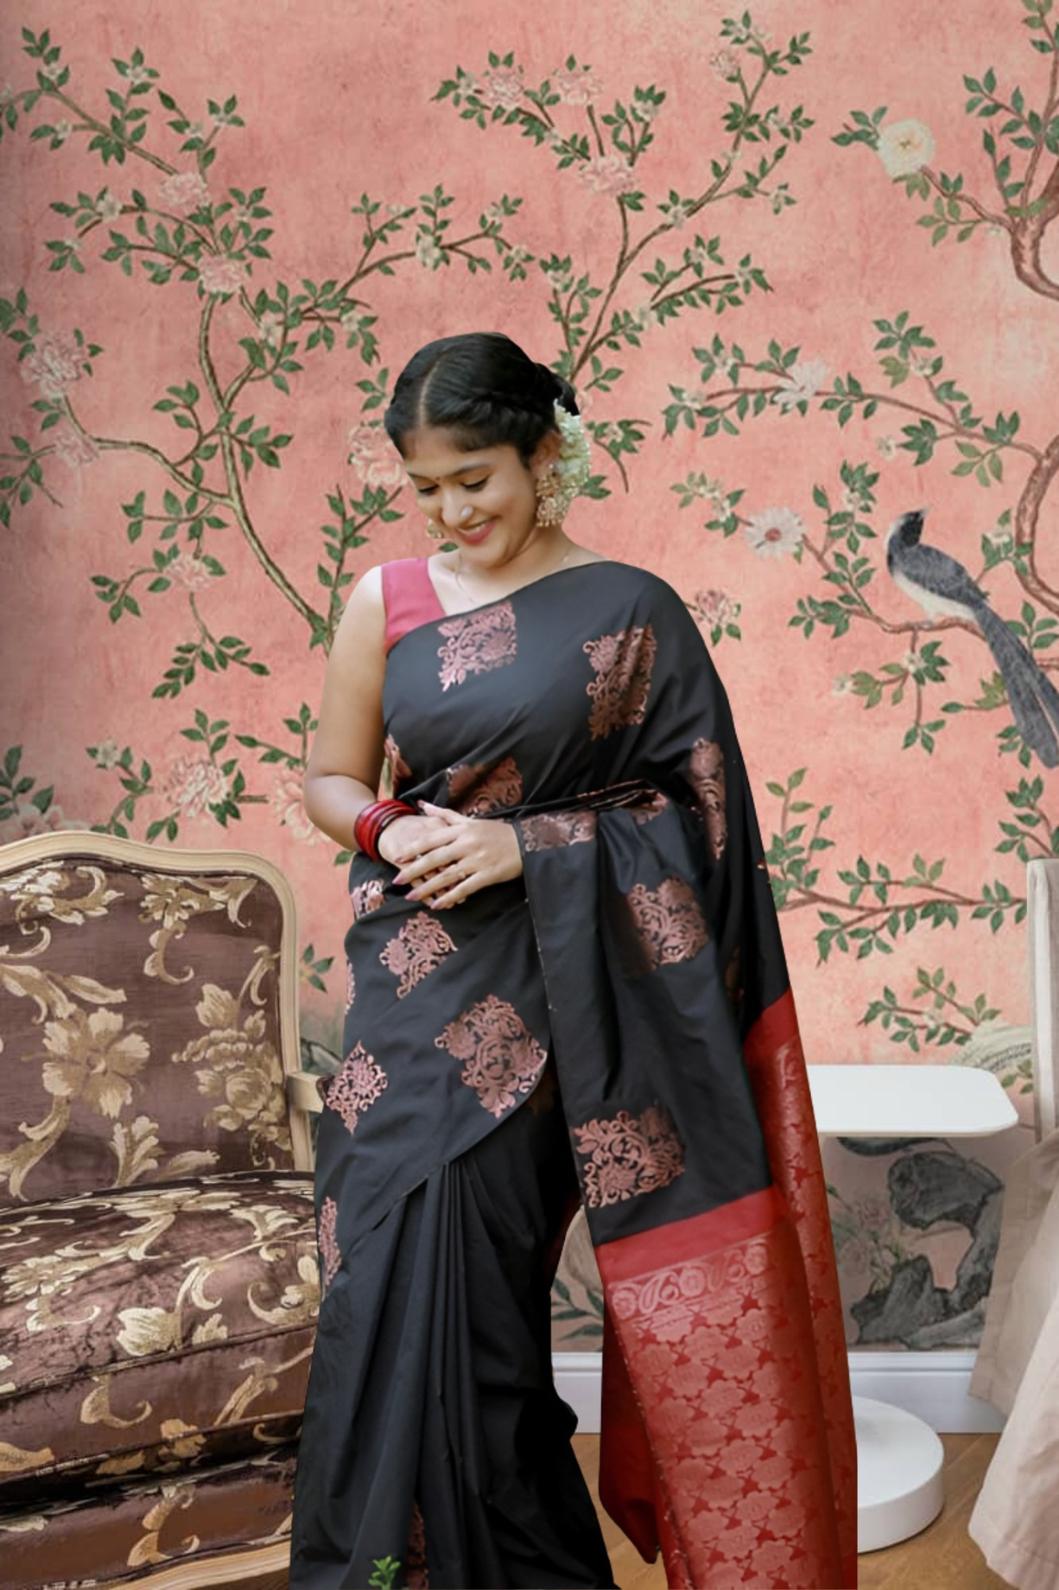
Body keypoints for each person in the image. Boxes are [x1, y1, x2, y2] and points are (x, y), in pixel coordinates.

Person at [289, 331, 857, 1589]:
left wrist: (523, 850)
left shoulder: (632, 611)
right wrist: (393, 827)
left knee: (483, 1330)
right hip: (402, 1001)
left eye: (475, 476)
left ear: (547, 454)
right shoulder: (388, 601)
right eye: (426, 487)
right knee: (372, 1301)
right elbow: (333, 777)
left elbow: (702, 829)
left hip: (557, 1012)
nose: (452, 511)